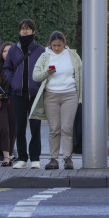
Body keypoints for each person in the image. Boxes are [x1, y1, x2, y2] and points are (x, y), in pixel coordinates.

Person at [29, 31, 82, 170]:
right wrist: (47, 72)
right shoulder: (45, 55)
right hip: (51, 95)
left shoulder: (73, 55)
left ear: (65, 44)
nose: (56, 48)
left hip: (70, 94)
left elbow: (81, 76)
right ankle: (53, 159)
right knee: (54, 129)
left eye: (59, 45)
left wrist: (80, 97)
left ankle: (67, 158)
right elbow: (35, 76)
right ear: (50, 44)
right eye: (54, 45)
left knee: (67, 128)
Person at [3, 19, 45, 169]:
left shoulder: (40, 50)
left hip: (34, 94)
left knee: (35, 126)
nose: (25, 31)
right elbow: (7, 68)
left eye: (28, 29)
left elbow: (45, 71)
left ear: (34, 31)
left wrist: (37, 86)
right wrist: (13, 82)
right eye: (22, 28)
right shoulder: (14, 50)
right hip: (18, 94)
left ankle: (35, 158)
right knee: (19, 127)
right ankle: (22, 158)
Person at [0, 41, 16, 167]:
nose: (7, 54)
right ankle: (6, 157)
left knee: (12, 129)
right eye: (4, 51)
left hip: (14, 102)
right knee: (3, 128)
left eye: (10, 51)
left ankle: (9, 154)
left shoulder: (18, 66)